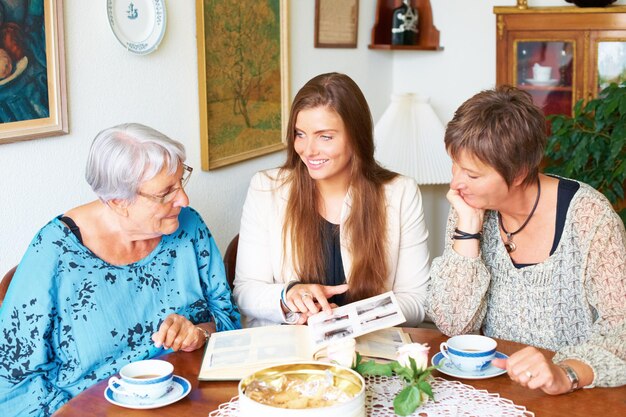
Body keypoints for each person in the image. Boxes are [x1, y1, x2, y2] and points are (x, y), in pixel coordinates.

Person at [0, 123, 241, 417]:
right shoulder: (54, 253)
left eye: (181, 181)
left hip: (191, 401)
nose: (183, 200)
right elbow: (12, 386)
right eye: (165, 192)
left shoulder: (189, 228)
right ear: (118, 201)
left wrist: (199, 334)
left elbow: (229, 321)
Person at [428, 86, 625, 394]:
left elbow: (622, 330)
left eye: (473, 175)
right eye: (455, 165)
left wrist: (565, 373)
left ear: (519, 172)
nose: (456, 184)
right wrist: (468, 229)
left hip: (572, 396)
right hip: (495, 391)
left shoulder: (589, 217)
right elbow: (454, 325)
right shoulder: (470, 209)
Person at [233, 72, 430, 327]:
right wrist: (287, 294)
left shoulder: (400, 192)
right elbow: (245, 291)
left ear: (356, 137)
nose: (308, 149)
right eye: (300, 134)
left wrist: (349, 320)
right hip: (294, 353)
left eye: (325, 137)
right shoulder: (266, 189)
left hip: (369, 352)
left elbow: (417, 300)